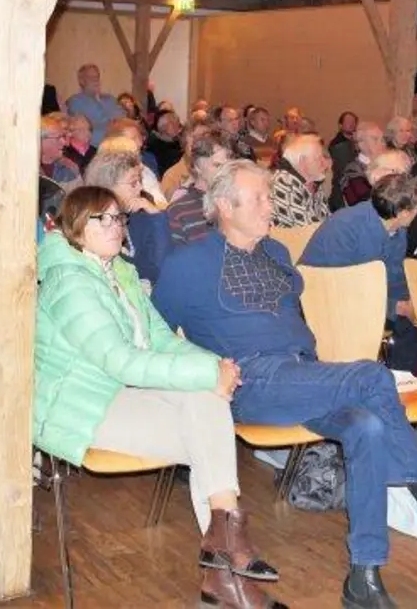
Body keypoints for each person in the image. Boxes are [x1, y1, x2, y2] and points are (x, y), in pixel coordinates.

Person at [155, 162, 417, 608]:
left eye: (268, 196)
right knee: (371, 375)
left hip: (303, 375)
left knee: (367, 427)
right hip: (251, 381)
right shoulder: (187, 263)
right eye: (258, 198)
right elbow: (158, 336)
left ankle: (364, 578)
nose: (270, 205)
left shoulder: (275, 252)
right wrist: (201, 373)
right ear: (223, 206)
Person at [36, 187, 285, 608]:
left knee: (207, 405)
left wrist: (218, 365)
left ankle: (224, 556)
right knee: (207, 423)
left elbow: (163, 342)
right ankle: (229, 564)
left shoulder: (120, 274)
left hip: (126, 395)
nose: (116, 227)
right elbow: (121, 362)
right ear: (76, 228)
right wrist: (209, 373)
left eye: (119, 218)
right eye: (103, 220)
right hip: (82, 403)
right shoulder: (68, 282)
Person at [302, 174, 417, 373]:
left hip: (362, 296)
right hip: (323, 300)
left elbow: (393, 276)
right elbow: (341, 288)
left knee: (411, 321)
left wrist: (412, 301)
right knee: (397, 316)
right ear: (403, 213)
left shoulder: (396, 230)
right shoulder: (345, 226)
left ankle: (401, 385)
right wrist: (396, 307)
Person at [85, 147, 172, 285]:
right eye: (133, 183)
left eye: (140, 181)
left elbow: (160, 268)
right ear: (107, 187)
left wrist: (156, 215)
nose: (140, 188)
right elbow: (145, 273)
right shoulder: (94, 228)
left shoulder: (139, 216)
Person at [166, 133, 231, 247]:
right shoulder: (178, 211)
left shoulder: (237, 202)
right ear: (197, 167)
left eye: (228, 166)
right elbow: (178, 258)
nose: (224, 172)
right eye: (217, 165)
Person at [270, 133, 331, 228]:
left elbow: (327, 220)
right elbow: (310, 228)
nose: (324, 164)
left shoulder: (313, 181)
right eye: (319, 158)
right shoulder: (283, 182)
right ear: (302, 161)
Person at [65, 64, 123, 147]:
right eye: (91, 78)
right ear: (81, 81)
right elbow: (86, 129)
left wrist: (99, 100)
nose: (96, 80)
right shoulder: (76, 101)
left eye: (97, 77)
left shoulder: (110, 99)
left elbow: (122, 119)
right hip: (97, 146)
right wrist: (111, 125)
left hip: (119, 142)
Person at [336, 121, 388, 210]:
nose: (383, 143)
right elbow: (362, 202)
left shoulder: (387, 164)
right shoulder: (352, 171)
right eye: (376, 139)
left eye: (382, 139)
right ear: (361, 144)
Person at [39, 113, 81, 189]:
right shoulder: (22, 171)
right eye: (58, 138)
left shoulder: (69, 168)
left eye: (63, 137)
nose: (64, 142)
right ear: (41, 140)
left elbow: (80, 199)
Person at [146, 109, 184, 176]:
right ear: (164, 127)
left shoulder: (175, 140)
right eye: (174, 123)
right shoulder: (156, 146)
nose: (178, 126)